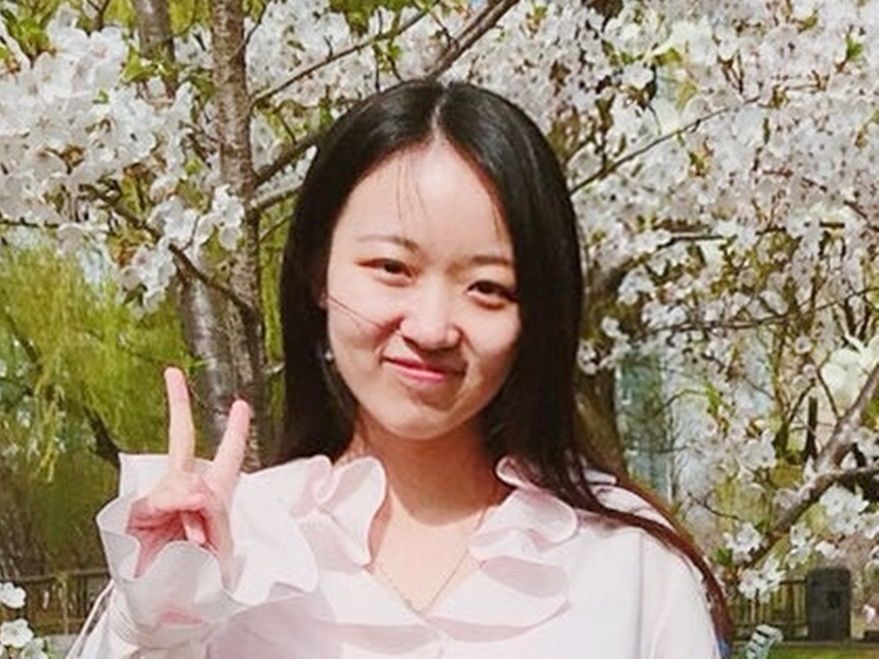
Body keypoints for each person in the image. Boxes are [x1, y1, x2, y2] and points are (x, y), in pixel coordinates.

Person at [71, 79, 732, 658]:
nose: (431, 327)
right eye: (391, 268)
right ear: (318, 273)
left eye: (488, 287)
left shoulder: (630, 568)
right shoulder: (236, 548)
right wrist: (156, 620)